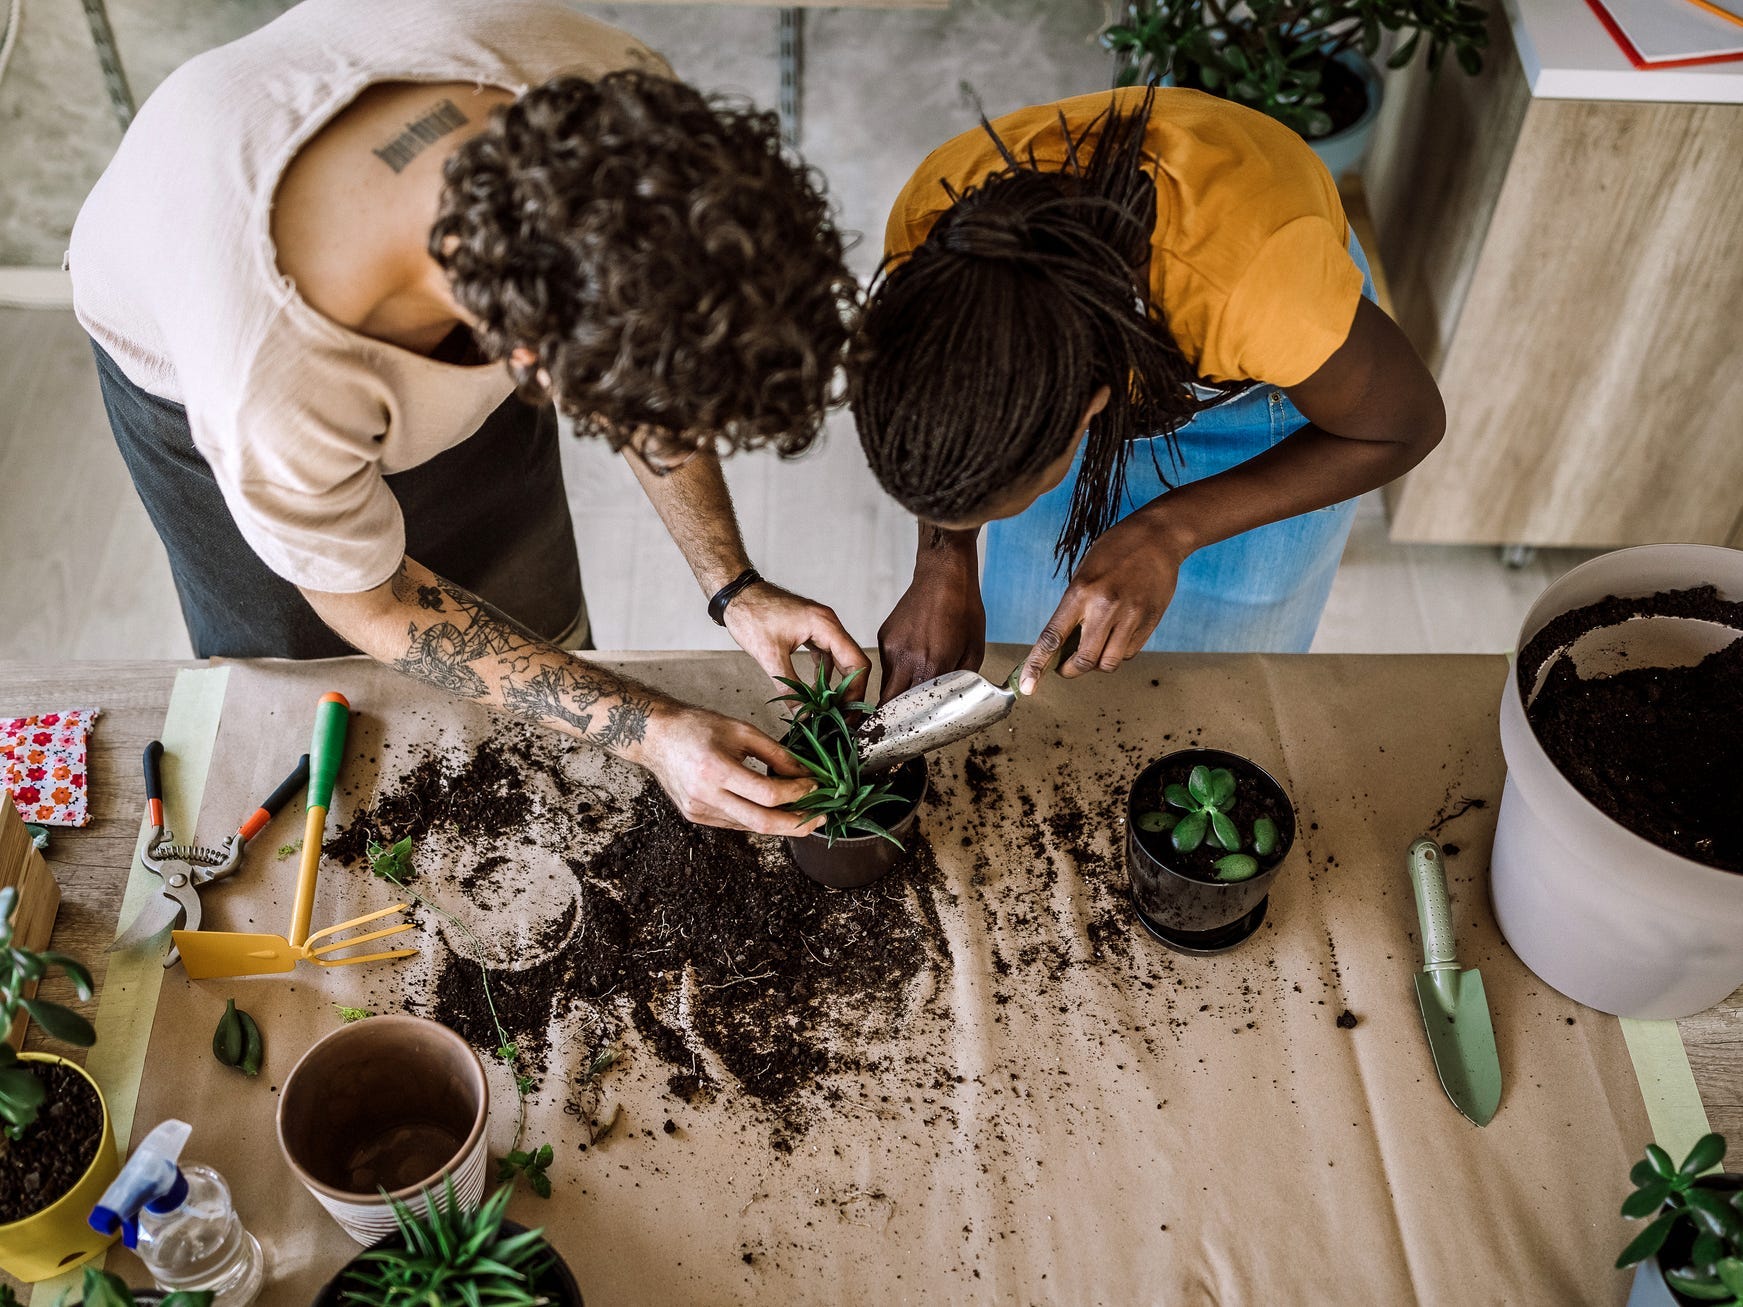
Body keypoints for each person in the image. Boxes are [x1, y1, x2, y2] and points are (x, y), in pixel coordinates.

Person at [70, 0, 868, 834]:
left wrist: (731, 583)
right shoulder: (269, 383)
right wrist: (653, 730)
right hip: (182, 342)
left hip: (384, 282)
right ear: (525, 362)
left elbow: (661, 351)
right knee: (320, 700)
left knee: (529, 612)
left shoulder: (606, 112)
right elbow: (372, 605)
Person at [852, 87, 1445, 703]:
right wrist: (944, 562)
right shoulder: (929, 232)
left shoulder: (1266, 292)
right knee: (1036, 616)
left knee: (1224, 682)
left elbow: (1406, 425)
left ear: (1094, 409)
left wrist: (1171, 530)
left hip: (1267, 391)